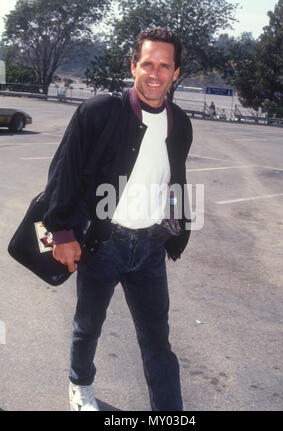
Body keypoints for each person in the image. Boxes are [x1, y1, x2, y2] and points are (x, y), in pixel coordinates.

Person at [43, 27, 193, 411]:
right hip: (101, 243)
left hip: (149, 248)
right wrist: (61, 231)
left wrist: (176, 230)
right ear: (133, 66)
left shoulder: (181, 123)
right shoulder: (98, 111)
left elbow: (174, 180)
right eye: (147, 64)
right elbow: (65, 172)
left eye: (165, 65)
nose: (155, 73)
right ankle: (80, 385)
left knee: (157, 338)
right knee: (88, 324)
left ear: (176, 73)